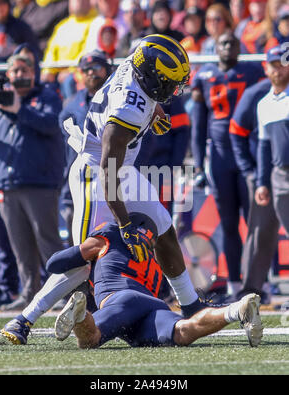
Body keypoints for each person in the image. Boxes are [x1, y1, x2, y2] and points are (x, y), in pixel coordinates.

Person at [52, 34, 207, 319]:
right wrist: (124, 223)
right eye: (169, 83)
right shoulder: (128, 109)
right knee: (86, 258)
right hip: (95, 174)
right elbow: (107, 170)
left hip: (121, 167)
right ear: (151, 75)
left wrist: (153, 109)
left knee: (163, 226)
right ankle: (28, 318)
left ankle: (190, 304)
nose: (173, 90)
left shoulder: (136, 64)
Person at [2, 213, 264, 348]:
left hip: (120, 298)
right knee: (184, 331)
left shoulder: (110, 234)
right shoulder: (153, 255)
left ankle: (81, 314)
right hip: (152, 304)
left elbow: (53, 264)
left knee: (90, 340)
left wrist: (86, 253)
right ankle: (235, 310)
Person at [0, 52, 65, 310]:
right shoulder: (0, 103)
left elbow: (51, 124)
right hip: (7, 183)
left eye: (24, 70)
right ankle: (29, 293)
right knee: (20, 245)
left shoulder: (47, 97)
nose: (19, 75)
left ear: (33, 72)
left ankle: (64, 292)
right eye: (14, 71)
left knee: (48, 242)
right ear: (8, 75)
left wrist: (20, 110)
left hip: (39, 182)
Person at [190, 31, 262, 300]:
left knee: (255, 224)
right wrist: (198, 166)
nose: (228, 46)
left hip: (248, 157)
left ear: (240, 47)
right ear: (215, 47)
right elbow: (198, 126)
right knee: (229, 224)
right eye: (224, 42)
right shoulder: (205, 76)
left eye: (232, 42)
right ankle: (233, 284)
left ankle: (259, 284)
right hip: (220, 159)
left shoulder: (253, 72)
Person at [229, 77, 279, 303]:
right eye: (277, 64)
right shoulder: (259, 94)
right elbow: (236, 131)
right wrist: (250, 171)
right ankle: (251, 290)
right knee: (260, 231)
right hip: (267, 173)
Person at [59, 50, 113, 247]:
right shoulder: (70, 104)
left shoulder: (117, 98)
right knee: (77, 242)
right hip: (80, 177)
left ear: (107, 69)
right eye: (86, 69)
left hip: (112, 177)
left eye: (97, 68)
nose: (91, 73)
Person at [255, 45, 289, 239]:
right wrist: (262, 182)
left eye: (282, 64)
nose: (278, 69)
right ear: (266, 68)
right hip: (280, 178)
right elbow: (264, 146)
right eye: (273, 65)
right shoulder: (263, 105)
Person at [41, 0, 97, 99]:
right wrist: (48, 71)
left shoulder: (95, 23)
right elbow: (51, 51)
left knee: (69, 81)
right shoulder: (62, 26)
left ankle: (72, 113)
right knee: (43, 83)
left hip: (78, 74)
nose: (78, 2)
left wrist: (71, 70)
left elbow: (88, 51)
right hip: (58, 75)